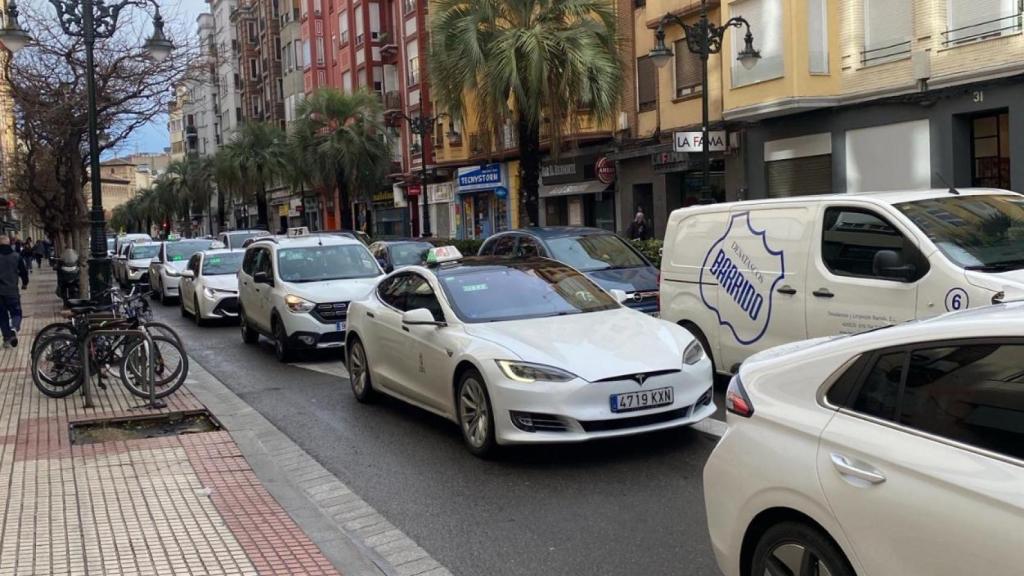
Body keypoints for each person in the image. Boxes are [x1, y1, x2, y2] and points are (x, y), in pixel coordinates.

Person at [0, 235, 29, 348]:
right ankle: (14, 328)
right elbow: (23, 272)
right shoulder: (16, 256)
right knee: (16, 313)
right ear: (9, 243)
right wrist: (25, 283)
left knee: (2, 317)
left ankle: (7, 339)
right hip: (12, 291)